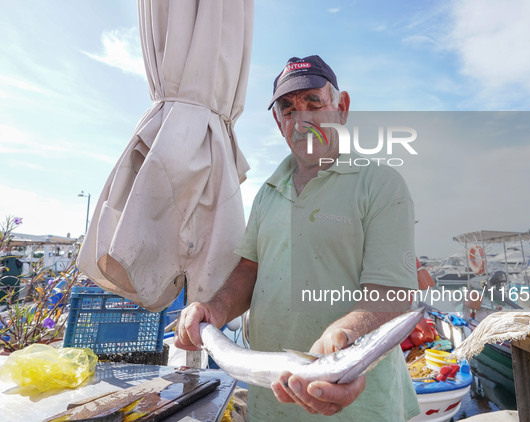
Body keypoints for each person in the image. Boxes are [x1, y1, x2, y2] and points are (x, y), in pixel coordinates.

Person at [175, 55, 420, 421]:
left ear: (342, 107)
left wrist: (343, 338)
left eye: (313, 103)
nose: (301, 119)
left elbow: (393, 292)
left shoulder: (381, 184)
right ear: (278, 122)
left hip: (360, 409)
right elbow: (249, 269)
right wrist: (215, 309)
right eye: (288, 109)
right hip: (268, 404)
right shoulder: (267, 192)